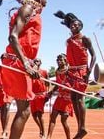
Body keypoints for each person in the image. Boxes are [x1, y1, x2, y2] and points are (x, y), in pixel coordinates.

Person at [0, 0, 47, 139]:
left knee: (24, 109)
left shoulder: (32, 11)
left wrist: (31, 62)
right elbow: (13, 37)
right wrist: (26, 63)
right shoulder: (27, 9)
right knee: (24, 110)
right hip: (17, 62)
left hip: (18, 61)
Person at [55, 11, 96, 139]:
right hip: (71, 71)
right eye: (72, 24)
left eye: (77, 24)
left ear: (81, 26)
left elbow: (94, 55)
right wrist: (67, 69)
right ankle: (80, 128)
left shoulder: (85, 39)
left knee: (79, 98)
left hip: (82, 71)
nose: (74, 25)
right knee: (73, 98)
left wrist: (89, 70)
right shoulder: (68, 41)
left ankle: (82, 127)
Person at [47, 54, 73, 139]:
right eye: (57, 60)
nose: (58, 61)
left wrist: (68, 86)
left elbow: (74, 84)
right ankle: (48, 137)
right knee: (52, 118)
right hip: (60, 98)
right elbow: (57, 85)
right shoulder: (57, 71)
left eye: (60, 60)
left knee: (63, 121)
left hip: (67, 99)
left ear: (65, 60)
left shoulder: (70, 71)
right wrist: (51, 91)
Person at [30, 58, 49, 139]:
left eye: (37, 61)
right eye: (34, 61)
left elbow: (48, 83)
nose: (36, 62)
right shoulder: (30, 72)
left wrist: (47, 93)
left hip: (41, 95)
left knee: (39, 114)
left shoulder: (44, 72)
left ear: (40, 63)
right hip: (33, 95)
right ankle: (40, 128)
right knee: (34, 115)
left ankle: (43, 133)